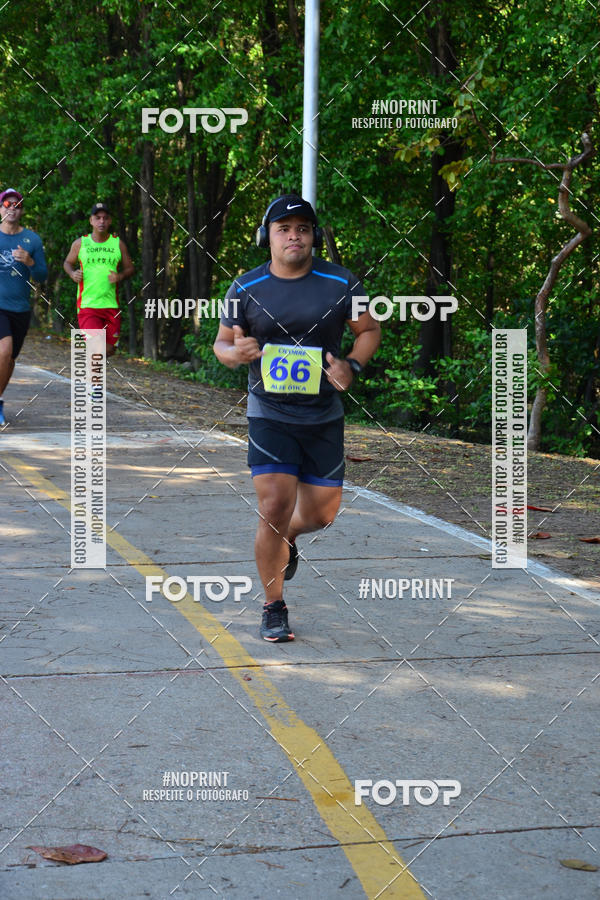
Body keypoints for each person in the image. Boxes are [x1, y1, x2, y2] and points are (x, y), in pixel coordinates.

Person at [213, 193, 380, 642]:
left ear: (314, 237)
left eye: (303, 229)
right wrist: (235, 353)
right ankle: (274, 605)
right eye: (284, 228)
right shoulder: (245, 288)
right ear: (267, 236)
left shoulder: (340, 282)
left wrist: (352, 366)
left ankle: (286, 537)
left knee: (322, 516)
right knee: (273, 506)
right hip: (269, 412)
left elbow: (368, 330)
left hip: (323, 415)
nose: (294, 236)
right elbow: (222, 343)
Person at [0, 188, 48, 426]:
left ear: (22, 210)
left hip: (20, 308)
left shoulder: (32, 239)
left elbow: (42, 275)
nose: (12, 208)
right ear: (0, 209)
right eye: (7, 204)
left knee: (9, 360)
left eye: (17, 205)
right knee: (4, 351)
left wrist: (30, 262)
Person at [63, 202, 134, 357]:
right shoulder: (81, 243)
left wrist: (120, 276)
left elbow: (130, 268)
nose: (101, 221)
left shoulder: (118, 244)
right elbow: (67, 263)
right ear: (91, 221)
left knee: (109, 349)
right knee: (96, 347)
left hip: (111, 305)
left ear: (110, 221)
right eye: (97, 218)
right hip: (88, 305)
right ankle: (94, 381)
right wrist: (72, 273)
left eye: (105, 218)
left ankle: (90, 368)